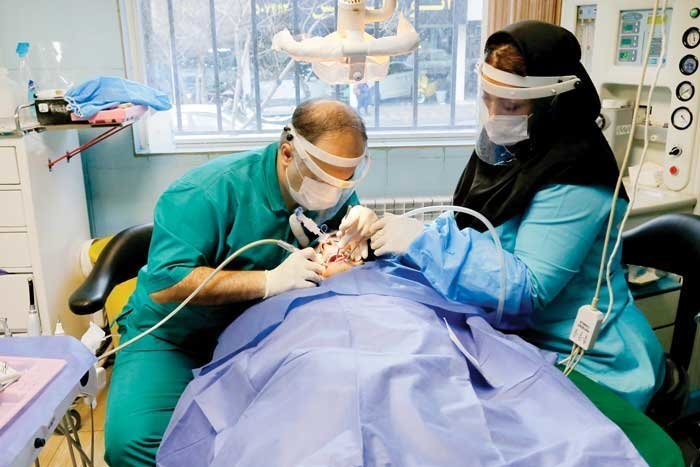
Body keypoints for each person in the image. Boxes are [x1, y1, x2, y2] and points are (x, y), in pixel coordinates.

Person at [362, 21, 665, 411]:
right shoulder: (516, 141)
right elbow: (472, 224)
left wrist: (424, 244)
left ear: (551, 103)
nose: (494, 116)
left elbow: (528, 289)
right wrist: (399, 237)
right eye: (487, 99)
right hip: (518, 338)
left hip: (587, 358)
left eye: (510, 106)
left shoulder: (577, 171)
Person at [104, 99, 377, 466]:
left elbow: (337, 243)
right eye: (326, 180)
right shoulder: (205, 192)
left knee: (296, 436)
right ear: (287, 153)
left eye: (345, 182)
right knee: (134, 443)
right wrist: (268, 281)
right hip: (176, 337)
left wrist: (361, 233)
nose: (335, 192)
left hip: (266, 336)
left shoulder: (332, 192)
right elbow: (168, 283)